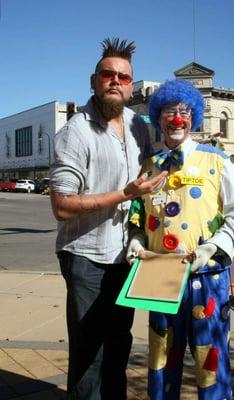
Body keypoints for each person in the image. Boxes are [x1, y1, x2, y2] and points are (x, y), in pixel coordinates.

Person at [49, 37, 167, 400]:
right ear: (94, 80)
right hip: (87, 258)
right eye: (108, 74)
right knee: (90, 354)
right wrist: (125, 194)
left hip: (124, 259)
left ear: (132, 86)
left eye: (124, 76)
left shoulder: (138, 127)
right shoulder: (75, 132)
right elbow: (62, 206)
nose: (116, 80)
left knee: (118, 346)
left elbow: (154, 173)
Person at [126, 79, 234, 400]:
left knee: (209, 359)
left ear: (194, 118)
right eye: (170, 112)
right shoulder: (150, 165)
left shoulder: (215, 160)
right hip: (158, 275)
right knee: (160, 358)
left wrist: (212, 247)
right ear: (158, 119)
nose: (177, 119)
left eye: (184, 112)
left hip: (206, 278)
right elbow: (138, 217)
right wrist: (136, 240)